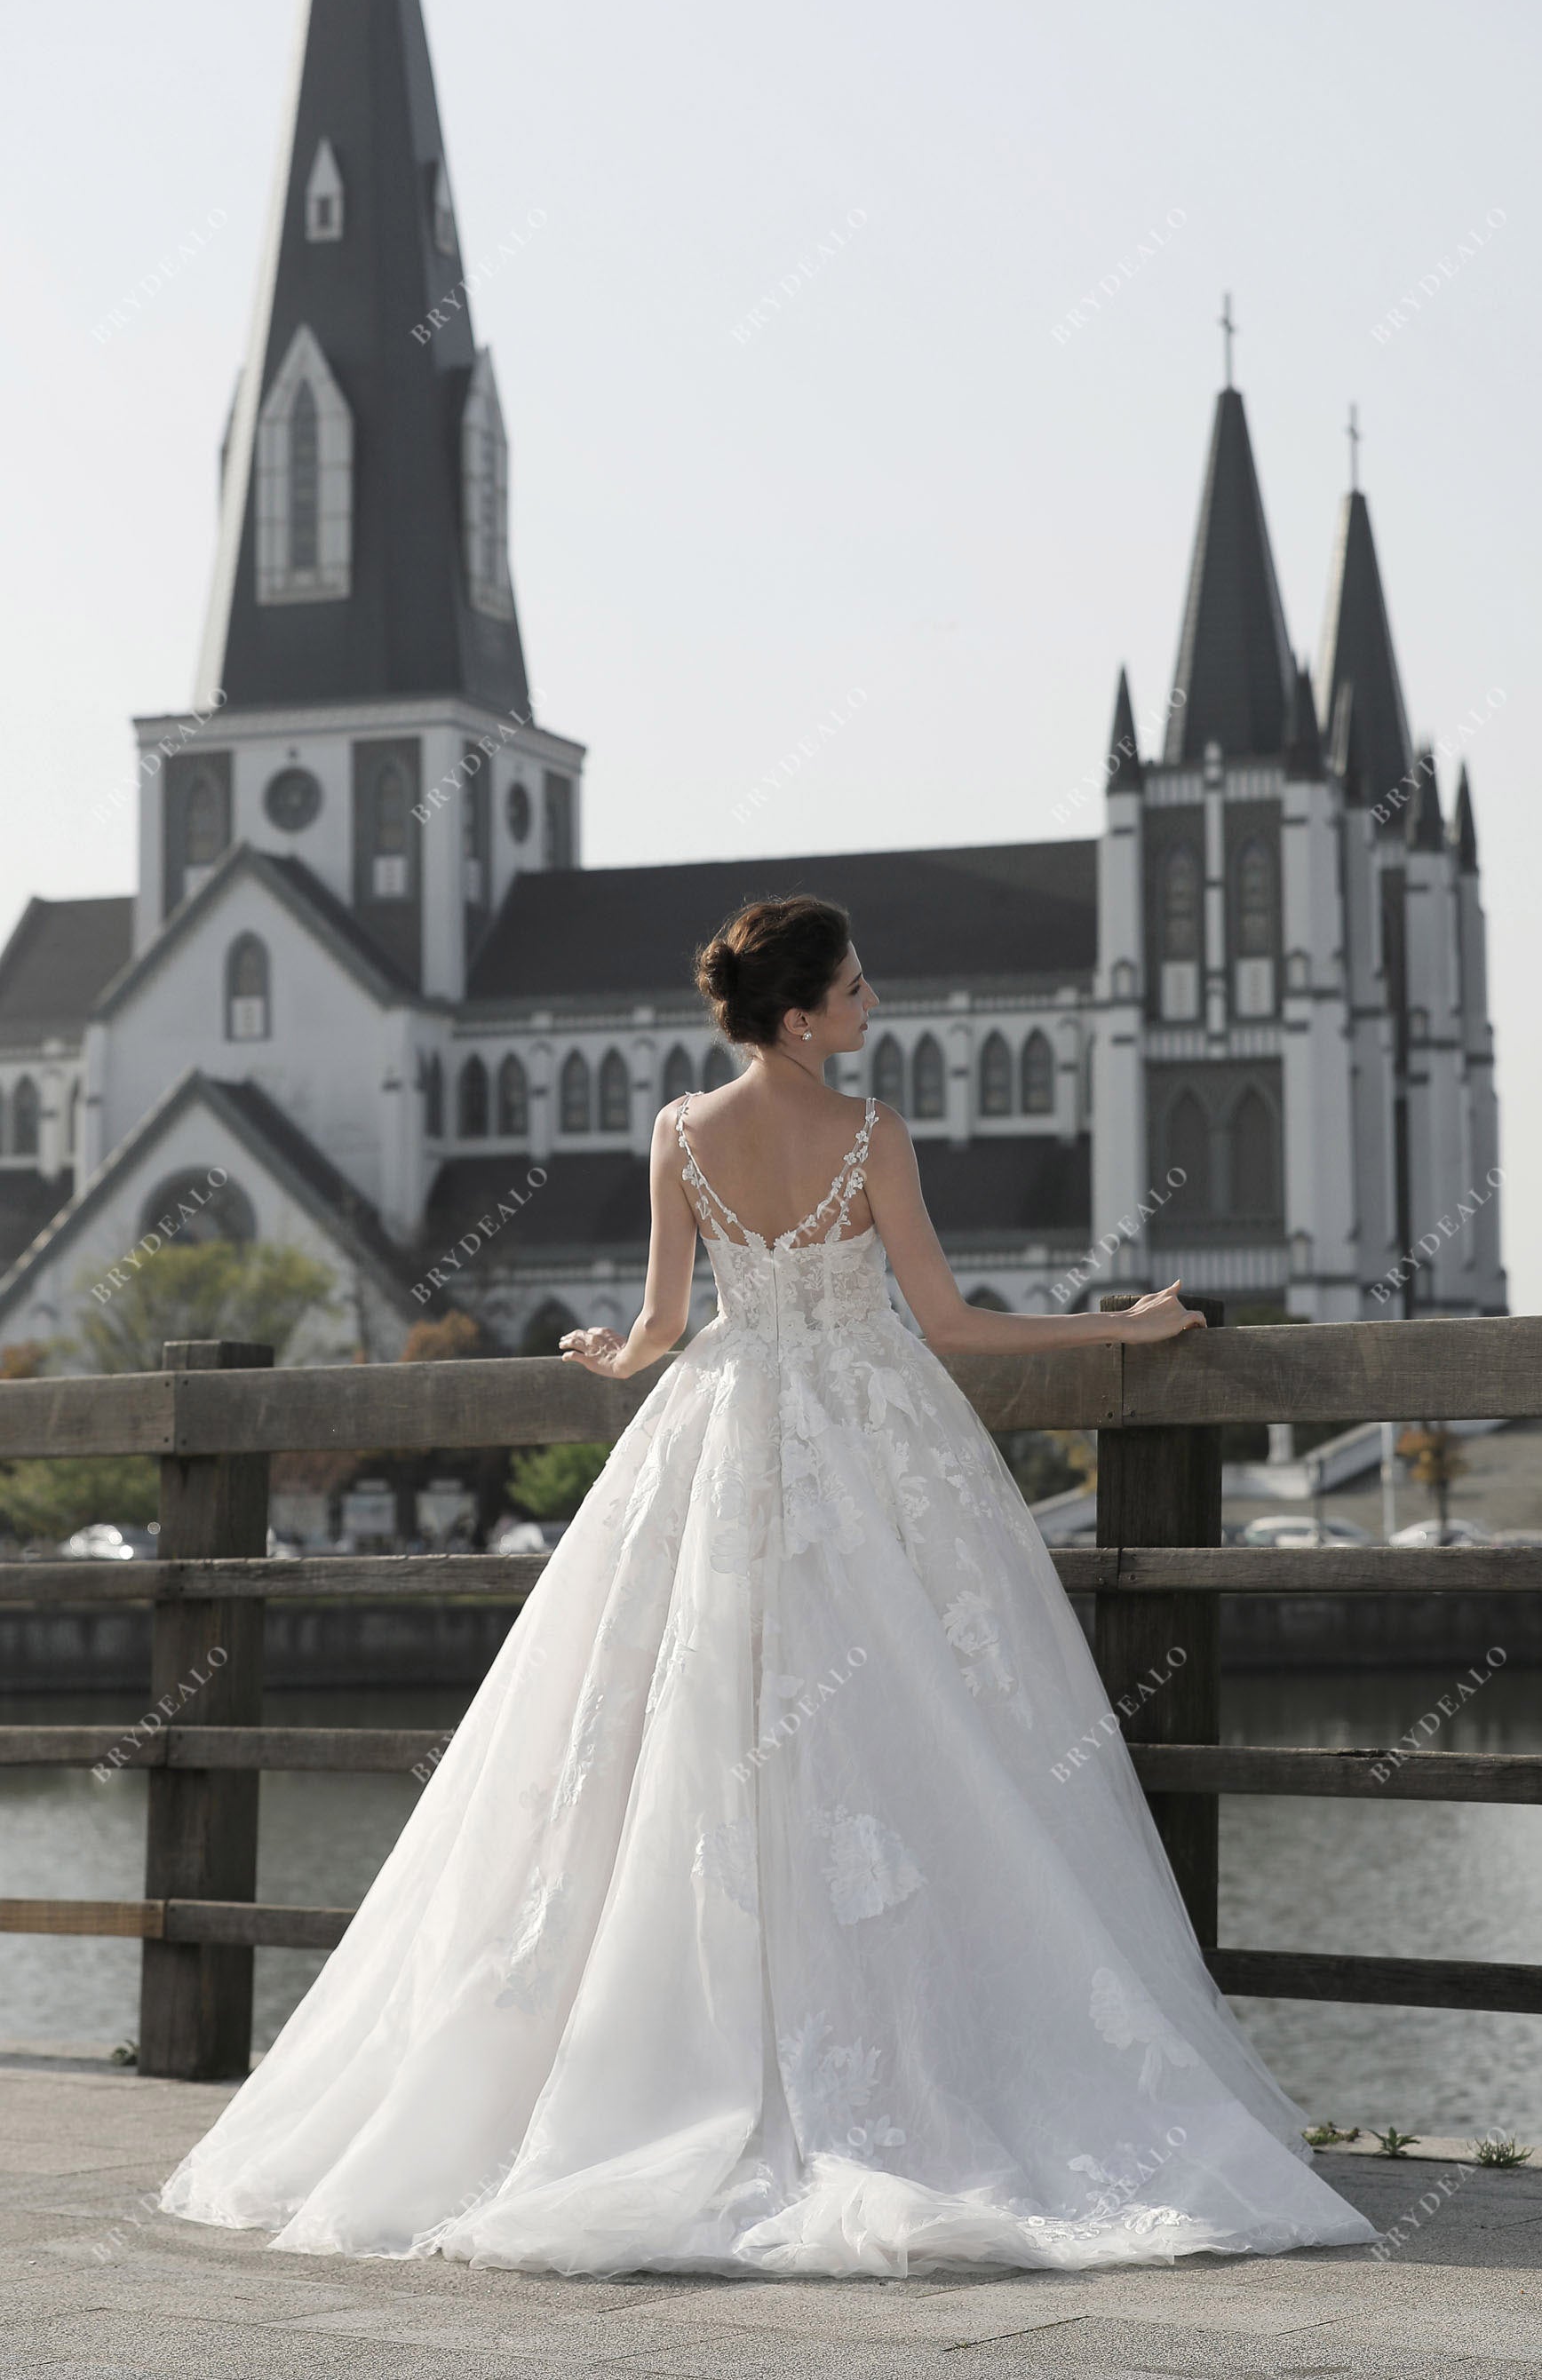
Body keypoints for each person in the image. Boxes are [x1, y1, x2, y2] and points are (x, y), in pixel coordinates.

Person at [160, 894, 1377, 2276]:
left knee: (684, 1725)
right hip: (871, 1440)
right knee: (927, 1729)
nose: (875, 1007)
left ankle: (650, 2066)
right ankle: (900, 2067)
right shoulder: (873, 1137)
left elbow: (671, 1323)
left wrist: (617, 1356)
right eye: (858, 989)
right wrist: (1129, 1327)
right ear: (801, 1015)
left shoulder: (680, 1131)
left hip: (719, 1432)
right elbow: (956, 1325)